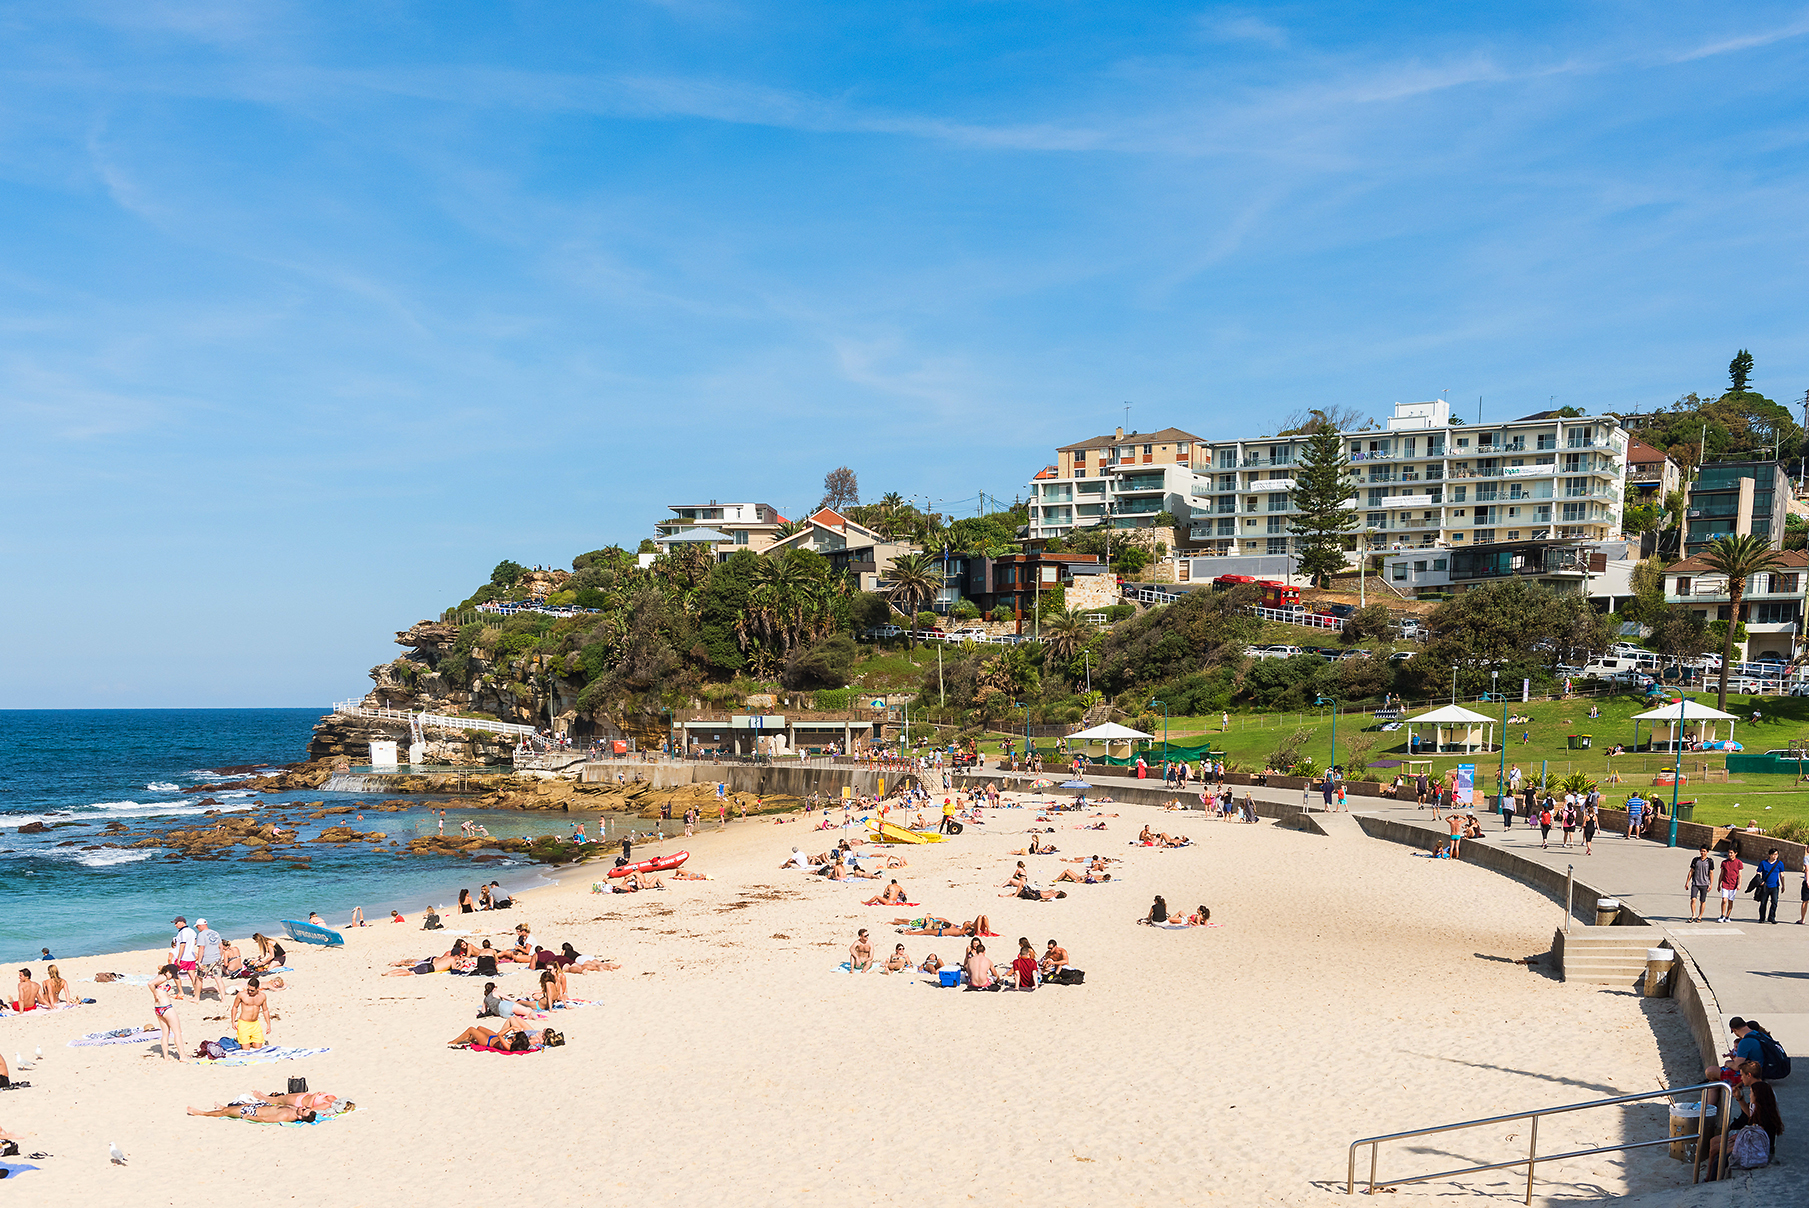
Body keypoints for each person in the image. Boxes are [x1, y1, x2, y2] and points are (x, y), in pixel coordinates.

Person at [150, 963, 185, 1063]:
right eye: (171, 975)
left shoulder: (160, 976)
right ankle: (182, 1056)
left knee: (165, 1033)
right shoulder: (163, 977)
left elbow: (160, 991)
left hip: (158, 1008)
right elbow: (150, 983)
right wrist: (155, 994)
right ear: (168, 972)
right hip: (166, 1008)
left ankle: (166, 1057)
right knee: (177, 1032)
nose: (171, 978)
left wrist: (170, 996)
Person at [231, 977, 273, 1049]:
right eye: (248, 989)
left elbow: (265, 1010)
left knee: (258, 1047)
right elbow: (235, 1007)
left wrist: (268, 1024)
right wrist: (233, 1021)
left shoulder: (262, 996)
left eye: (252, 990)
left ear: (258, 988)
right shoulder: (242, 995)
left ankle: (249, 1041)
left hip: (255, 1024)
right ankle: (243, 1040)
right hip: (244, 1023)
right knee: (246, 1049)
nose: (250, 992)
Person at [187, 1102, 318, 1124]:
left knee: (225, 1112)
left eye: (304, 1109)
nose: (304, 1107)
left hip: (254, 1112)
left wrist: (249, 1117)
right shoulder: (294, 1110)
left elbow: (265, 1120)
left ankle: (201, 1113)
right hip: (259, 1106)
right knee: (234, 1107)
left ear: (301, 1116)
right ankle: (224, 1107)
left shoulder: (286, 1116)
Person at [193, 918, 226, 1002]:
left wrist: (199, 961)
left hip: (206, 959)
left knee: (199, 978)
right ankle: (223, 998)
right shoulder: (215, 933)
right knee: (218, 979)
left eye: (197, 927)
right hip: (216, 958)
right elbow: (221, 946)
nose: (197, 929)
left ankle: (196, 997)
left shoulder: (201, 934)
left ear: (200, 926)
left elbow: (201, 948)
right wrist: (219, 957)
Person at [171, 915, 199, 1001]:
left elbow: (182, 945)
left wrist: (179, 958)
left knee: (173, 972)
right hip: (191, 956)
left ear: (182, 923)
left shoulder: (183, 932)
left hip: (184, 957)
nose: (175, 925)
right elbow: (194, 942)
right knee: (192, 974)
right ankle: (196, 991)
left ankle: (181, 992)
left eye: (176, 923)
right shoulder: (192, 931)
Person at [1686, 845, 1715, 921]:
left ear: (1707, 852)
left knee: (1702, 901)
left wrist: (1711, 884)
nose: (1702, 853)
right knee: (1693, 899)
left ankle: (1700, 916)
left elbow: (1711, 873)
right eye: (1701, 851)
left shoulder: (1710, 861)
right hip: (1695, 883)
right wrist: (1687, 882)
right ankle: (1693, 915)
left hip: (1704, 884)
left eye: (1704, 851)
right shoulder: (1695, 860)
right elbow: (1691, 871)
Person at [1756, 849, 1785, 924]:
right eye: (1774, 854)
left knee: (1774, 902)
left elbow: (1782, 875)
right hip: (1765, 886)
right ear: (1769, 855)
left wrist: (1783, 885)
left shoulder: (1780, 864)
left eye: (1777, 854)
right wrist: (1760, 881)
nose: (1775, 856)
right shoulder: (1763, 863)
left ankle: (1771, 917)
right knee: (1763, 903)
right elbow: (1758, 872)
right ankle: (1762, 918)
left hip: (1775, 886)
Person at [1718, 849, 1745, 922]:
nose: (1729, 854)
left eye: (1731, 853)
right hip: (1725, 883)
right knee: (1724, 900)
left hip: (1733, 885)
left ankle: (1727, 916)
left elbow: (1740, 875)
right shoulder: (1724, 862)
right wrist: (1719, 884)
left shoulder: (1739, 863)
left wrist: (1739, 884)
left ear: (1735, 853)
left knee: (1730, 901)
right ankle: (1722, 915)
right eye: (1729, 853)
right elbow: (1721, 874)